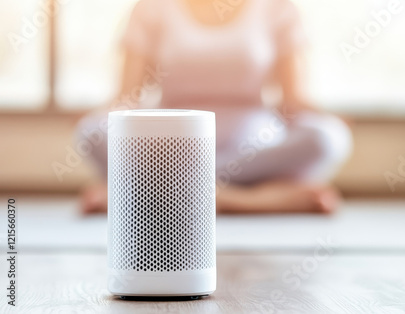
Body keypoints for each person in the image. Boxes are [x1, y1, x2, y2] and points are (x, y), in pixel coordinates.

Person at [77, 0, 352, 214]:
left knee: (327, 137)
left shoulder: (276, 7)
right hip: (172, 141)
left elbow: (293, 101)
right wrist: (97, 118)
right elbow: (127, 98)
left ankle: (153, 195)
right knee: (92, 131)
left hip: (250, 143)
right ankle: (252, 199)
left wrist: (332, 120)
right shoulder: (152, 7)